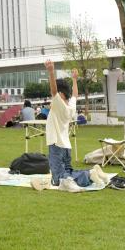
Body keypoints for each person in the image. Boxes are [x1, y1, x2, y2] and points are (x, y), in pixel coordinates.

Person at [31, 61, 96, 192]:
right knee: (68, 171)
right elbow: (75, 95)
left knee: (58, 179)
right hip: (66, 146)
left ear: (61, 94)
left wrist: (50, 72)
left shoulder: (58, 104)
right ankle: (89, 174)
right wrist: (74, 79)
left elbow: (54, 91)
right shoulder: (70, 106)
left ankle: (76, 180)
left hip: (56, 145)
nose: (51, 97)